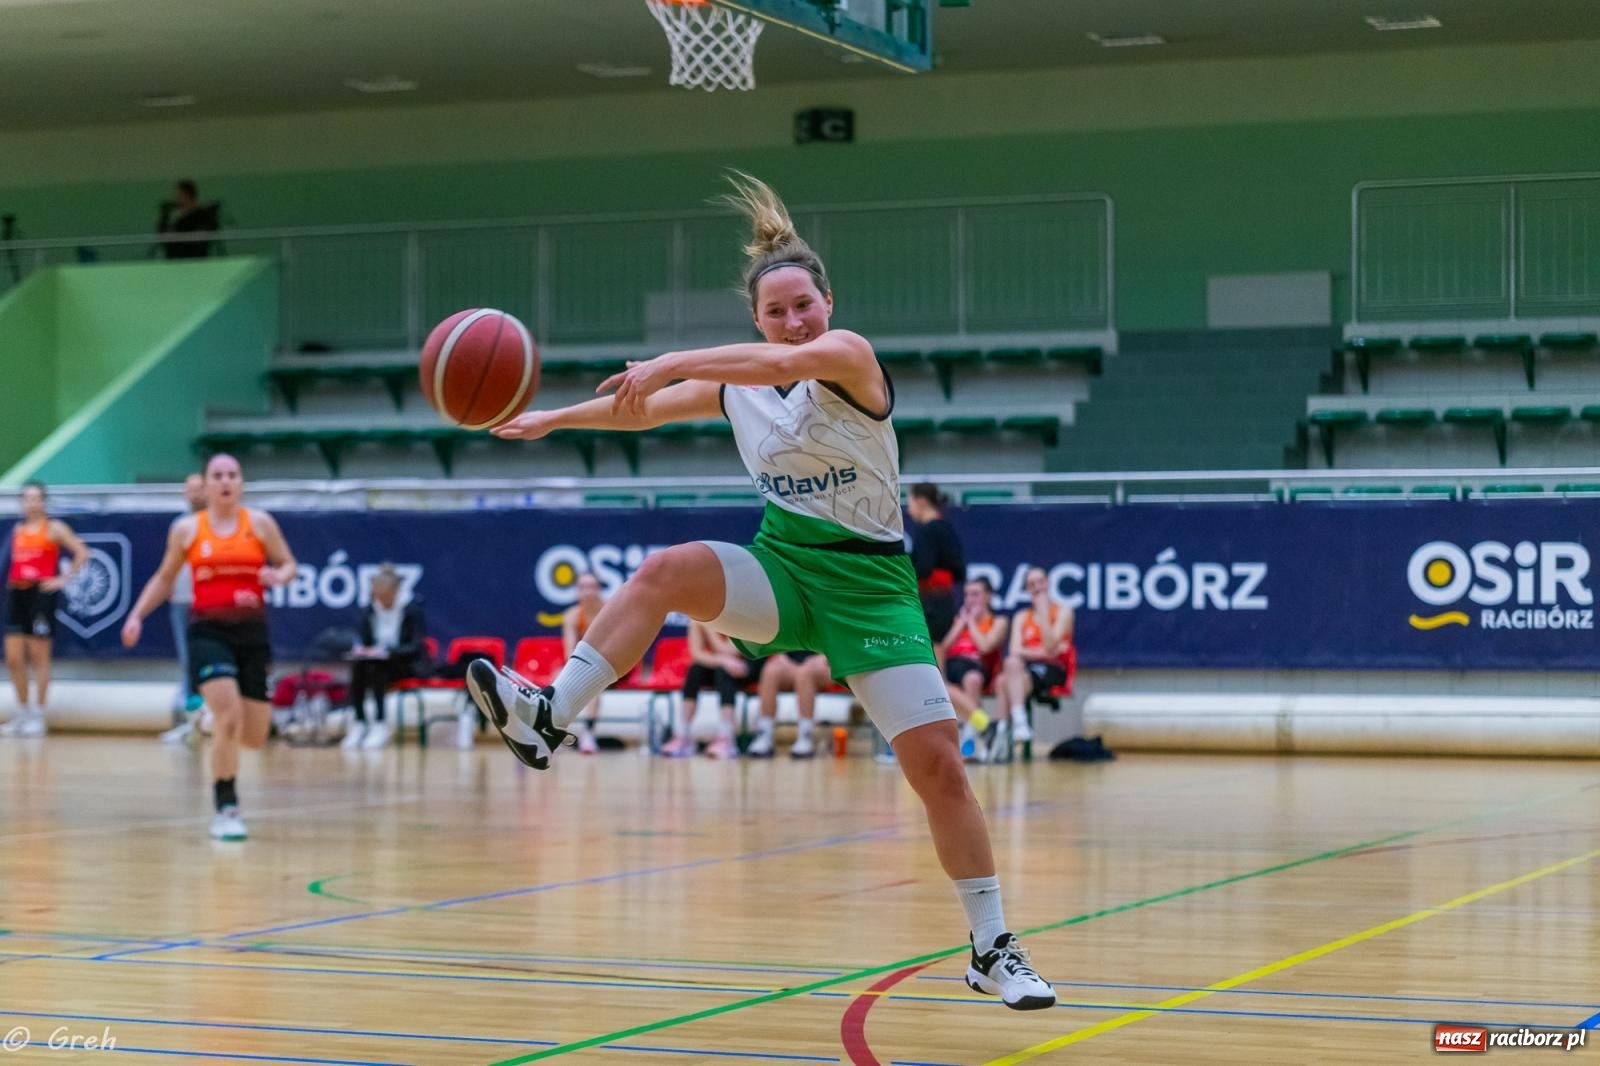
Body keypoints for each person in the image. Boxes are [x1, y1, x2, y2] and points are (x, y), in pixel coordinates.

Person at [464, 172, 1055, 1010]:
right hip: (784, 565)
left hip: (871, 583)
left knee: (939, 770)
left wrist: (674, 355)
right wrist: (551, 420)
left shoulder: (846, 356)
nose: (793, 320)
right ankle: (548, 715)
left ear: (826, 302)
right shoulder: (741, 384)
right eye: (776, 311)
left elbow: (776, 364)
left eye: (803, 304)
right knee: (664, 570)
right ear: (757, 317)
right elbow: (641, 412)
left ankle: (991, 947)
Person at [122, 454, 297, 841]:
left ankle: (207, 722)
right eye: (217, 475)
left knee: (253, 736)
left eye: (232, 474)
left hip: (251, 634)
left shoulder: (261, 523)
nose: (225, 482)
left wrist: (278, 574)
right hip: (207, 632)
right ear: (205, 483)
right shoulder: (187, 530)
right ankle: (227, 807)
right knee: (230, 716)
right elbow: (164, 578)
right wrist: (136, 614)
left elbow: (290, 565)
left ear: (241, 482)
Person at [2, 481, 89, 738]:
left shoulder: (54, 528)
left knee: (39, 657)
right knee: (14, 658)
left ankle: (38, 716)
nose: (31, 503)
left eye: (36, 498)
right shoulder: (17, 530)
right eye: (27, 499)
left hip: (42, 595)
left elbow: (82, 552)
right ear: (22, 503)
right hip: (18, 594)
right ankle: (22, 712)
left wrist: (63, 579)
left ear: (43, 502)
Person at [343, 563, 426, 750]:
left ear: (396, 591)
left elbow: (415, 646)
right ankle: (360, 723)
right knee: (359, 667)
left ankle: (380, 724)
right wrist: (364, 651)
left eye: (386, 597)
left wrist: (388, 653)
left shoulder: (412, 609)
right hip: (375, 663)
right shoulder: (370, 610)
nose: (381, 601)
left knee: (378, 669)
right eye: (378, 597)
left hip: (405, 665)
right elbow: (365, 641)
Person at [999, 567, 1074, 746]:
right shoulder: (1021, 616)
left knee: (1003, 682)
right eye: (1031, 584)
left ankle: (1002, 732)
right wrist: (1043, 653)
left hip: (1054, 669)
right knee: (1009, 668)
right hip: (1027, 669)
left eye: (1040, 581)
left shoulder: (1063, 612)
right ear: (1026, 589)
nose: (1036, 587)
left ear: (1047, 583)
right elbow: (1015, 649)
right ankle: (1017, 725)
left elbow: (1051, 646)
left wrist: (1043, 612)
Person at [160, 474, 209, 745]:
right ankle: (192, 723)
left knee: (209, 663)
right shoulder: (179, 525)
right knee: (187, 663)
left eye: (198, 488)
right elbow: (169, 567)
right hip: (181, 602)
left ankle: (214, 719)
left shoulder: (216, 524)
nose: (194, 494)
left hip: (209, 604)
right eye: (189, 489)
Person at [940, 576, 1008, 760]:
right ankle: (984, 726)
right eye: (967, 595)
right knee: (941, 686)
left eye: (976, 594)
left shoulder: (998, 621)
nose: (970, 600)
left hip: (980, 668)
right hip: (953, 667)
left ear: (988, 596)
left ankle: (970, 738)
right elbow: (941, 648)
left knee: (972, 679)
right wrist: (960, 624)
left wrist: (971, 623)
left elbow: (985, 646)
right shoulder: (956, 621)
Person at [663, 619, 747, 759]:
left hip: (746, 665)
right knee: (695, 670)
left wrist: (708, 625)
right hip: (725, 664)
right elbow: (696, 654)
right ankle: (684, 735)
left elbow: (730, 650)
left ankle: (727, 737)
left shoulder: (739, 613)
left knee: (723, 672)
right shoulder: (697, 618)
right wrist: (722, 660)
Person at [906, 483, 964, 666]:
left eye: (910, 503)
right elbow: (959, 571)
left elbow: (923, 569)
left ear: (921, 501)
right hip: (946, 604)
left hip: (930, 605)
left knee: (932, 663)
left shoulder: (927, 530)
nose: (908, 510)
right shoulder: (946, 528)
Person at [745, 651, 830, 759]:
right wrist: (781, 654)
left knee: (804, 673)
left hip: (825, 662)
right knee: (771, 670)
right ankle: (764, 733)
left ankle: (806, 734)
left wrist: (824, 657)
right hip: (793, 663)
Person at [561, 572, 608, 754]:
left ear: (599, 589)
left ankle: (588, 732)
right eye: (583, 587)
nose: (587, 592)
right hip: (585, 665)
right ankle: (552, 730)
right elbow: (569, 652)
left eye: (591, 587)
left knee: (593, 681)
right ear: (577, 591)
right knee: (556, 678)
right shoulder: (572, 615)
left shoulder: (610, 612)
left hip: (615, 664)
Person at [156, 180, 218, 260]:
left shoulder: (202, 214)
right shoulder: (172, 214)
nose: (177, 198)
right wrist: (172, 220)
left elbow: (204, 234)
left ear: (189, 195)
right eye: (177, 195)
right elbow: (163, 234)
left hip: (196, 257)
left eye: (181, 195)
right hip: (174, 258)